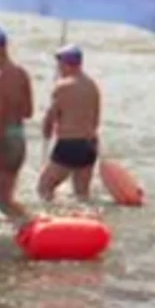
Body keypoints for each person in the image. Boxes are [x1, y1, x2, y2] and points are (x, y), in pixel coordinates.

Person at [0, 26, 34, 223]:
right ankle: (32, 225)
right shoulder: (21, 74)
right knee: (4, 201)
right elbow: (28, 112)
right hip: (18, 137)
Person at [38, 44, 102, 202]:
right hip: (90, 144)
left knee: (44, 187)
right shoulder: (92, 85)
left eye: (59, 63)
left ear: (65, 63)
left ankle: (50, 219)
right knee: (82, 195)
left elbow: (50, 118)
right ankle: (86, 223)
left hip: (69, 144)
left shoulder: (63, 87)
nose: (58, 68)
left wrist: (46, 135)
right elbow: (96, 117)